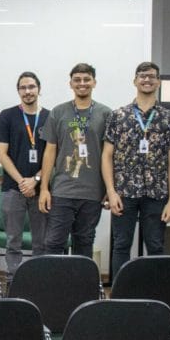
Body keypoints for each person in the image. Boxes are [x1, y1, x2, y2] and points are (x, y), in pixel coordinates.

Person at [102, 62, 170, 279]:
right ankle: (120, 291)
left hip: (157, 193)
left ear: (158, 82)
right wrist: (111, 191)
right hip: (124, 192)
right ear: (135, 81)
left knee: (155, 245)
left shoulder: (169, 118)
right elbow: (107, 155)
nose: (147, 79)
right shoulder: (118, 116)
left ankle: (154, 291)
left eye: (152, 76)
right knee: (121, 244)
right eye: (142, 76)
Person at [38, 63, 112, 259]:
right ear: (70, 83)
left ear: (94, 83)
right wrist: (44, 188)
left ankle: (81, 280)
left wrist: (109, 189)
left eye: (87, 79)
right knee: (54, 243)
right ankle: (53, 280)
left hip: (93, 192)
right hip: (62, 190)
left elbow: (109, 155)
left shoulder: (106, 114)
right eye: (77, 80)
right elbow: (49, 152)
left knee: (84, 243)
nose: (82, 83)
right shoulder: (58, 112)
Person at [0, 72, 49, 275]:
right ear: (18, 91)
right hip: (13, 188)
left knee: (41, 242)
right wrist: (22, 182)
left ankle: (38, 280)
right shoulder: (7, 116)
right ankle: (13, 280)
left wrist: (35, 180)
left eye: (31, 87)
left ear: (39, 89)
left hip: (42, 189)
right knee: (13, 242)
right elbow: (1, 154)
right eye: (23, 87)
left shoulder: (50, 117)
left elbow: (53, 156)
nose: (27, 91)